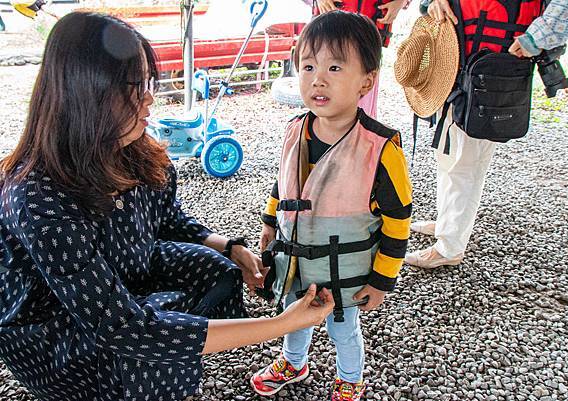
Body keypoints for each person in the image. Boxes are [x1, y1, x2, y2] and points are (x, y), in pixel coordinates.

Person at [0, 12, 335, 401]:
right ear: (85, 92)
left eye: (147, 83)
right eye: (134, 85)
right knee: (142, 353)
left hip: (122, 270)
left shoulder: (129, 147)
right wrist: (280, 324)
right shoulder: (37, 194)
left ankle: (177, 355)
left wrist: (231, 248)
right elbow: (123, 328)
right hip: (56, 332)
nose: (149, 97)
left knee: (218, 272)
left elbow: (168, 218)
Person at [251, 11, 412, 401]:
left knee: (343, 328)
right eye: (308, 66)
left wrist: (381, 280)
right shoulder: (295, 130)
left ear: (366, 81)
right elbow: (284, 182)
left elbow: (398, 220)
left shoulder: (381, 149)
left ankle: (350, 377)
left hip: (345, 273)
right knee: (293, 318)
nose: (318, 79)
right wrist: (270, 223)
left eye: (335, 67)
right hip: (295, 262)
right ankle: (294, 362)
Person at [406, 0, 568, 269]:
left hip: (495, 55)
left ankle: (449, 245)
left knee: (467, 156)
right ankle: (450, 223)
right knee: (452, 148)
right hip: (459, 49)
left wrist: (538, 36)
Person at [312, 0, 411, 118]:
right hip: (328, 32)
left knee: (362, 97)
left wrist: (402, 2)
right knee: (325, 92)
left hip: (369, 37)